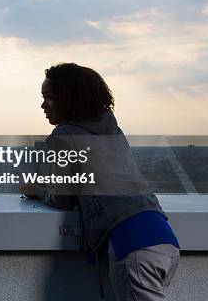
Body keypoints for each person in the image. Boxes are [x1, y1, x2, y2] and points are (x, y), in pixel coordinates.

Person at [20, 63, 180, 301]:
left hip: (132, 247)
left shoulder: (63, 137)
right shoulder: (112, 130)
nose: (43, 105)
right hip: (162, 238)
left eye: (50, 97)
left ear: (69, 98)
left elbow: (64, 197)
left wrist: (38, 189)